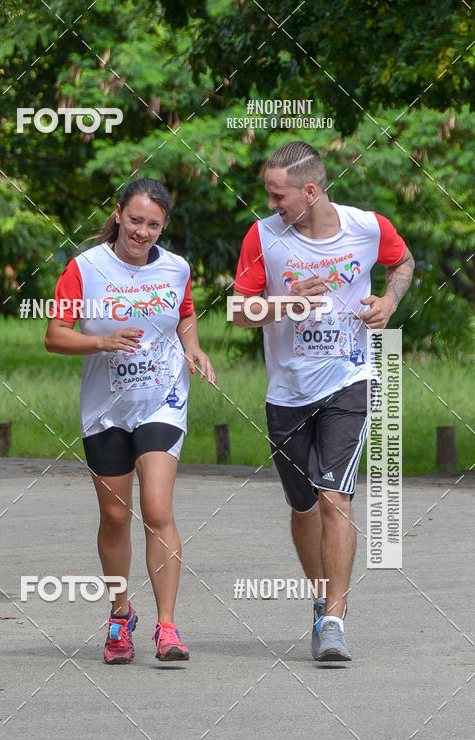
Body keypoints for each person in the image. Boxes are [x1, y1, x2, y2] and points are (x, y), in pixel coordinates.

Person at [232, 141, 414, 661]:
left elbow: (403, 262)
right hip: (288, 391)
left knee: (334, 495)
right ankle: (320, 598)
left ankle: (333, 619)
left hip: (348, 380)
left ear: (310, 191)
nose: (271, 204)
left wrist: (390, 301)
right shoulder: (263, 237)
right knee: (303, 504)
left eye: (279, 195)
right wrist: (286, 302)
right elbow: (240, 312)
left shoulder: (367, 227)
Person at [45, 178, 215, 665]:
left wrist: (193, 346)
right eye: (136, 220)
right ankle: (120, 614)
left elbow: (184, 313)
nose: (142, 232)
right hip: (106, 409)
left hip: (162, 400)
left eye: (153, 225)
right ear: (118, 213)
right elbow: (55, 335)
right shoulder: (85, 268)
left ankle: (168, 627)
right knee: (116, 516)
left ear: (164, 226)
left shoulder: (176, 268)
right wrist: (102, 341)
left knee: (157, 509)